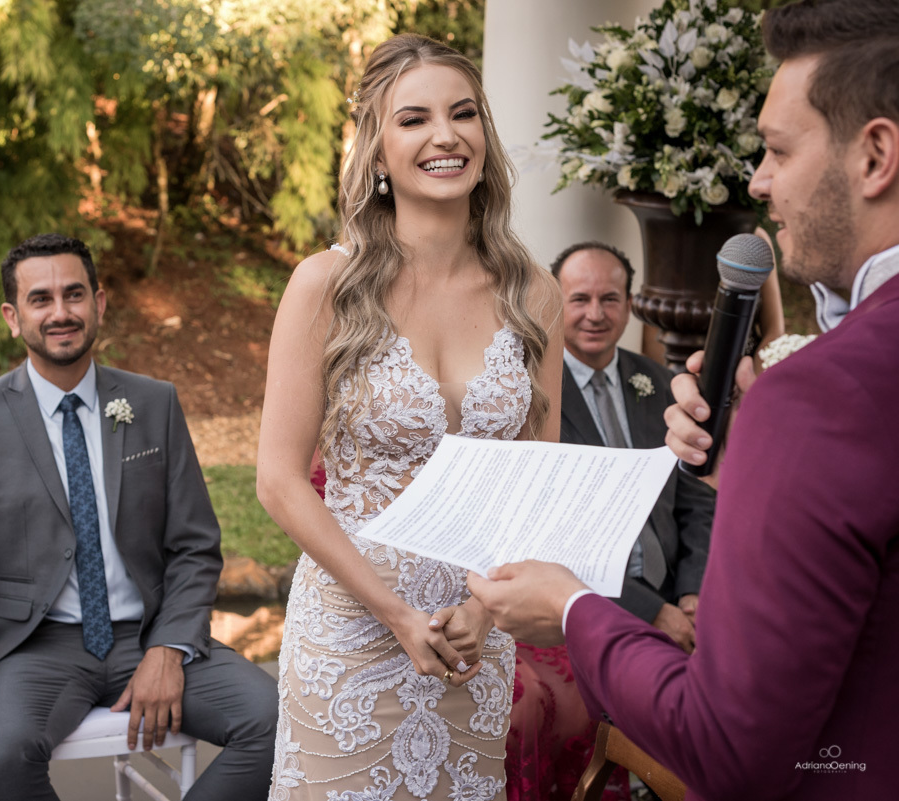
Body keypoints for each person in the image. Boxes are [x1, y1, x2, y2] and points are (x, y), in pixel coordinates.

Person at [466, 1, 899, 799]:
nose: (758, 182)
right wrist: (747, 476)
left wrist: (571, 610)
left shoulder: (816, 396)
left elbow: (734, 748)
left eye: (775, 149)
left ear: (875, 155)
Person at [257, 34, 563, 799]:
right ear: (378, 150)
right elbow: (279, 481)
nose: (445, 135)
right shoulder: (323, 284)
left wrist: (485, 613)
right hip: (351, 632)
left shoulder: (535, 294)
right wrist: (395, 612)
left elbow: (536, 477)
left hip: (472, 638)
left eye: (463, 114)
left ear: (485, 139)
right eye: (415, 119)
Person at [0, 233, 277, 801]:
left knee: (276, 722)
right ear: (13, 317)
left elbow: (195, 545)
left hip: (147, 633)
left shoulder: (152, 403)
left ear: (99, 303)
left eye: (74, 294)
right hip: (33, 645)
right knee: (0, 756)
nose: (60, 313)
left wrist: (168, 648)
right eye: (41, 299)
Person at [551, 242, 714, 652]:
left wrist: (692, 592)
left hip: (675, 590)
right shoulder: (536, 393)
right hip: (591, 604)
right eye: (579, 299)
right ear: (553, 303)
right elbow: (551, 532)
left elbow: (695, 500)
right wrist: (650, 611)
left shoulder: (658, 381)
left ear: (628, 304)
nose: (595, 314)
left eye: (609, 299)